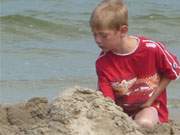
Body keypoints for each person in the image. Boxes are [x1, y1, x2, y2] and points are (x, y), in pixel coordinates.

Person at [89, 0, 180, 128]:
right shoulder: (102, 62)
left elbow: (172, 71)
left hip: (151, 107)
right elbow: (108, 100)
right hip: (122, 112)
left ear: (123, 31)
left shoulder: (151, 48)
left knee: (144, 123)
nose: (98, 40)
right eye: (94, 35)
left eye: (104, 35)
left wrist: (151, 100)